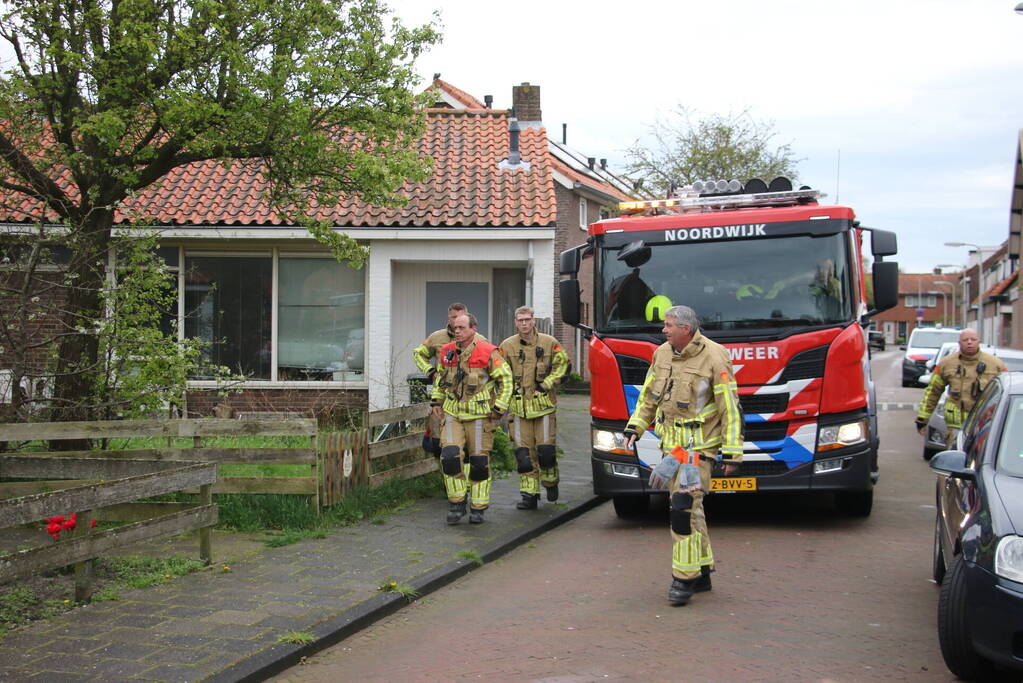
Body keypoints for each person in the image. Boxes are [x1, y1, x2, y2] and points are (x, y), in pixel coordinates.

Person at [623, 305, 743, 606]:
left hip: (698, 449)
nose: (664, 330)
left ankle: (683, 578)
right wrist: (635, 426)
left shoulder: (716, 357)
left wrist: (732, 452)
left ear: (685, 330)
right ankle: (701, 571)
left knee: (683, 507)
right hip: (671, 447)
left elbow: (731, 408)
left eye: (669, 325)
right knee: (693, 508)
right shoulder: (662, 353)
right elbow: (649, 395)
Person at [431, 314, 512, 525]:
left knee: (478, 462)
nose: (457, 331)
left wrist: (499, 408)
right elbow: (441, 378)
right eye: (454, 328)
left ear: (473, 328)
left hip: (479, 416)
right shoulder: (447, 351)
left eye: (461, 328)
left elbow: (506, 379)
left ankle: (478, 507)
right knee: (449, 456)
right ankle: (457, 502)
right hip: (452, 413)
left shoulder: (488, 351)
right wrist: (436, 402)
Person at [499, 306, 570, 509]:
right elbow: (497, 373)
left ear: (533, 321)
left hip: (544, 408)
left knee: (546, 452)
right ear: (515, 322)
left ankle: (550, 482)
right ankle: (529, 496)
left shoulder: (549, 343)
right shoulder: (507, 346)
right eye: (520, 320)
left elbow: (563, 365)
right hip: (519, 411)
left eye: (527, 319)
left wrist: (546, 384)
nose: (524, 323)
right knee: (524, 456)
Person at [412, 303, 485, 457]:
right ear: (448, 318)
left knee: (469, 445)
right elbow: (418, 354)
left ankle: (466, 474)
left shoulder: (480, 340)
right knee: (437, 443)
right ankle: (444, 475)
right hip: (444, 394)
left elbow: (491, 368)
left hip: (470, 398)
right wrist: (430, 371)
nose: (457, 320)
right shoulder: (437, 337)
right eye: (454, 317)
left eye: (461, 317)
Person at [916, 328, 1006, 447]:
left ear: (979, 342)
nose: (969, 342)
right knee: (953, 460)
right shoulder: (946, 364)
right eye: (965, 340)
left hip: (982, 427)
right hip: (955, 429)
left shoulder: (996, 365)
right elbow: (933, 392)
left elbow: (1004, 395)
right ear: (959, 343)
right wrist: (922, 419)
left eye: (973, 339)